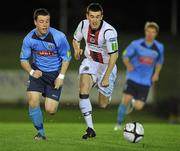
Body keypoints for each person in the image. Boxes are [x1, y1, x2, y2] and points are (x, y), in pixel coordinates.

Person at [20, 8, 71, 140]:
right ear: (35, 22)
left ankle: (48, 96)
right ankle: (41, 133)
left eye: (47, 21)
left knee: (50, 110)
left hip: (54, 75)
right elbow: (23, 60)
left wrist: (61, 77)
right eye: (41, 21)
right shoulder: (29, 38)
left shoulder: (59, 37)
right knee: (32, 101)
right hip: (37, 73)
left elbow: (66, 58)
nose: (45, 24)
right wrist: (31, 71)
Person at [72, 3, 119, 139]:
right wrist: (76, 50)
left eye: (97, 17)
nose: (94, 20)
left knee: (103, 104)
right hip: (90, 62)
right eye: (91, 16)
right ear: (87, 16)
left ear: (101, 17)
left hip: (106, 66)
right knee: (83, 88)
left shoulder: (109, 32)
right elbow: (76, 40)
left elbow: (114, 55)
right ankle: (90, 128)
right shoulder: (82, 25)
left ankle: (106, 93)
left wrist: (106, 77)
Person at [114, 22, 164, 130]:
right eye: (148, 31)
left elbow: (159, 62)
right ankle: (118, 124)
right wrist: (128, 65)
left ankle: (133, 102)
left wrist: (156, 73)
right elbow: (124, 55)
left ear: (156, 34)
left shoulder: (159, 47)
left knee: (139, 106)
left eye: (153, 32)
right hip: (133, 77)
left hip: (146, 81)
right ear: (145, 32)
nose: (150, 34)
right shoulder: (136, 44)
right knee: (125, 99)